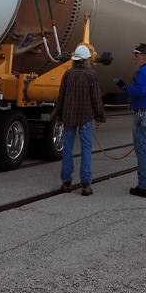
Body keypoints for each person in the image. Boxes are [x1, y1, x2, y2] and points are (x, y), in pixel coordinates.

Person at [54, 43, 105, 196]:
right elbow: (96, 98)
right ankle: (86, 185)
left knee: (67, 149)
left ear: (76, 60)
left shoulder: (68, 74)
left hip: (68, 117)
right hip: (85, 118)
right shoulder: (91, 75)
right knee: (86, 150)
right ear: (86, 60)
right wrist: (100, 116)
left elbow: (61, 97)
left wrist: (59, 116)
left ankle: (66, 182)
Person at [115, 42, 146, 198]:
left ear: (143, 56)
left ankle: (143, 187)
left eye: (136, 55)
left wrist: (124, 87)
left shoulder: (143, 72)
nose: (134, 58)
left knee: (142, 152)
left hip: (142, 115)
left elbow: (139, 91)